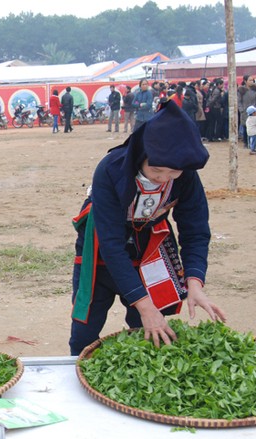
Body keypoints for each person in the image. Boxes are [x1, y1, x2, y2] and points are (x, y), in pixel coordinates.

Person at [68, 100, 226, 355]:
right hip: (101, 247)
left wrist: (195, 282)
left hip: (149, 246)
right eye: (156, 169)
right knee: (84, 331)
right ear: (141, 154)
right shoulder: (110, 169)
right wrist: (144, 304)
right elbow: (111, 245)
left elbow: (195, 230)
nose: (162, 178)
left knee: (148, 331)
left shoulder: (186, 177)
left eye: (172, 173)